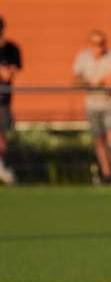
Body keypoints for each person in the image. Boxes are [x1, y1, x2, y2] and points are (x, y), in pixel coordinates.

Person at [73, 30, 111, 184]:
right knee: (98, 139)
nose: (99, 47)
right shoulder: (82, 58)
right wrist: (91, 83)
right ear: (90, 44)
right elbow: (76, 81)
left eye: (102, 43)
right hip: (92, 105)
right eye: (95, 44)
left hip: (110, 104)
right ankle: (106, 173)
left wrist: (96, 82)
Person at [0, 15, 21, 185]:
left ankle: (2, 169)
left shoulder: (11, 49)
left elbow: (7, 75)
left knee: (2, 138)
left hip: (2, 102)